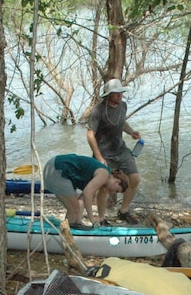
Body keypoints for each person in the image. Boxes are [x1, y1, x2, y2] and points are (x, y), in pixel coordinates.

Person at [86, 78, 141, 223]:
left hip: (121, 150)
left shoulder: (123, 106)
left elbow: (121, 122)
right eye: (116, 93)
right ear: (108, 94)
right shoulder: (98, 110)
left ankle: (123, 211)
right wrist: (98, 156)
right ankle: (102, 218)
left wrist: (131, 132)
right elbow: (90, 134)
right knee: (104, 187)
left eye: (121, 93)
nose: (120, 96)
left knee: (135, 179)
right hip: (103, 154)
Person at [42, 154, 128, 230]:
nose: (113, 192)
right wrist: (92, 219)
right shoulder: (104, 174)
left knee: (75, 208)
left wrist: (79, 222)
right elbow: (87, 194)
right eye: (116, 190)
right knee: (73, 208)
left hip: (54, 166)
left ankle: (73, 227)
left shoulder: (100, 178)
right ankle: (67, 235)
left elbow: (82, 200)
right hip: (57, 169)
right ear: (117, 181)